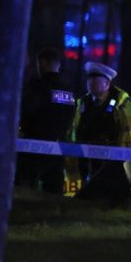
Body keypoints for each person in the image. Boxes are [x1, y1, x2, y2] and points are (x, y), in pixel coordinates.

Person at [70, 61, 131, 193]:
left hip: (114, 159)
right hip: (87, 159)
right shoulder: (82, 104)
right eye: (89, 79)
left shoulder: (123, 105)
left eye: (95, 79)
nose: (91, 82)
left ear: (107, 84)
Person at [18, 47, 76, 192]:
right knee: (54, 189)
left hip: (33, 146)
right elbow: (70, 117)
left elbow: (25, 111)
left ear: (42, 63)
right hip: (57, 148)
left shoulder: (35, 87)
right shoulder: (68, 90)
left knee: (25, 189)